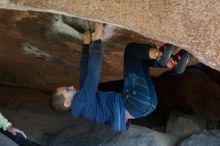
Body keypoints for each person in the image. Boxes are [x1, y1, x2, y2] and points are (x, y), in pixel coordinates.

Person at [51, 23, 190, 131]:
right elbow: (93, 74)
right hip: (134, 100)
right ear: (67, 103)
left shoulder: (83, 104)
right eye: (67, 90)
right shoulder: (81, 101)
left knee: (140, 62)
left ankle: (172, 64)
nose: (70, 86)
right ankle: (161, 56)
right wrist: (97, 40)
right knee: (130, 52)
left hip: (144, 105)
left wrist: (86, 45)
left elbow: (84, 73)